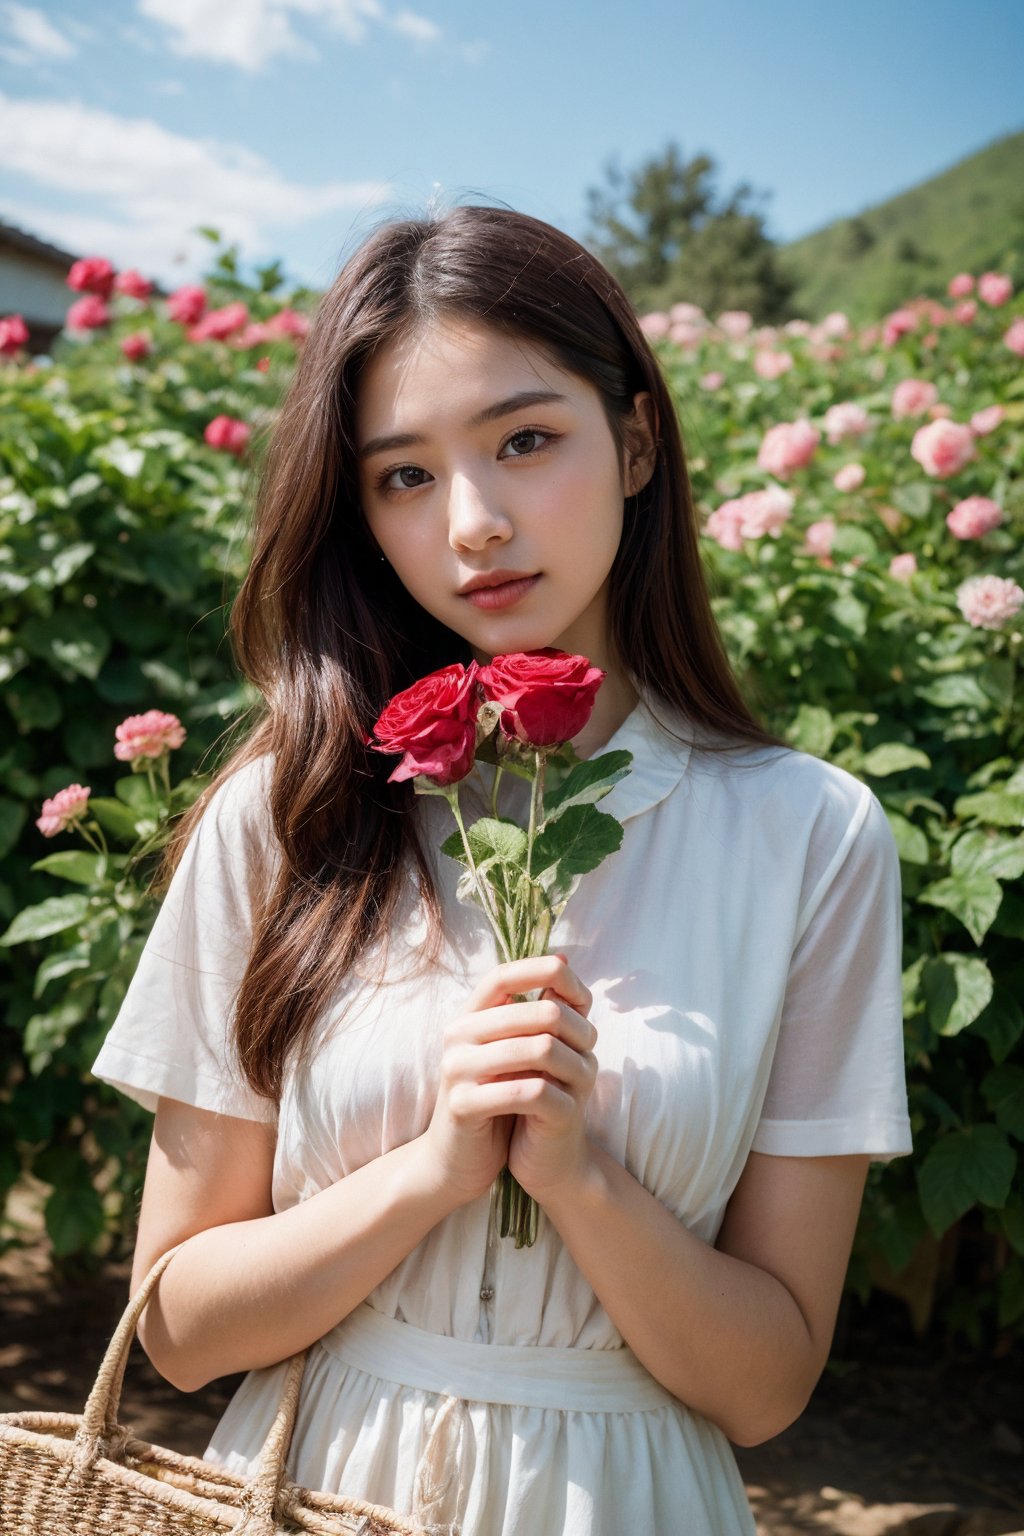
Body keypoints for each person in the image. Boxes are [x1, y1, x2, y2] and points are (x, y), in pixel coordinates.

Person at [90, 202, 912, 1536]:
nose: (473, 522)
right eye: (403, 476)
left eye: (527, 441)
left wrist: (581, 1178)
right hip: (303, 1488)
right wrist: (428, 1172)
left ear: (636, 440)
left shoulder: (808, 834)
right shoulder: (282, 818)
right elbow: (176, 1332)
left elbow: (766, 1387)